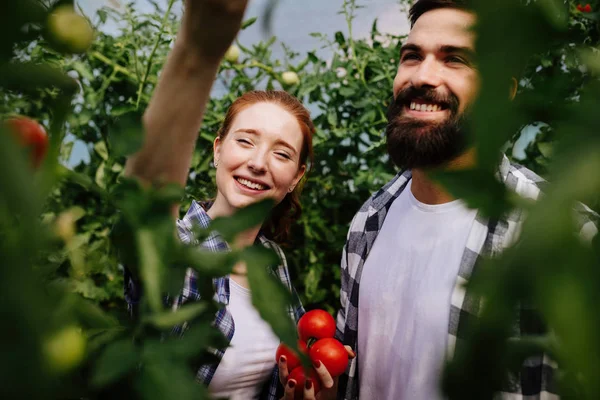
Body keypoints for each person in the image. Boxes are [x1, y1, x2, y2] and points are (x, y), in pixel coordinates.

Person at [335, 1, 598, 399]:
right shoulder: (368, 222)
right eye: (411, 56)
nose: (423, 75)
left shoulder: (564, 235)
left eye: (454, 59)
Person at [123, 1, 346, 399]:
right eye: (245, 141)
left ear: (295, 178)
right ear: (218, 151)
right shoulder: (180, 250)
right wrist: (199, 48)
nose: (258, 163)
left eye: (281, 153)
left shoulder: (273, 264)